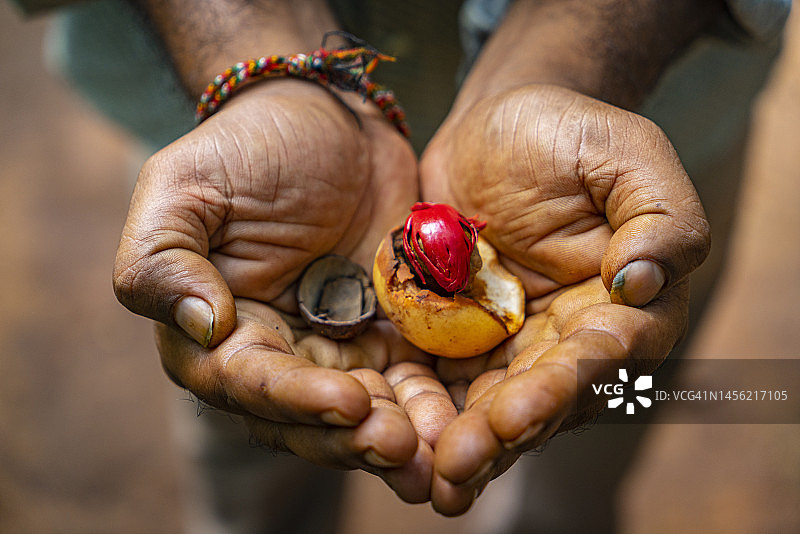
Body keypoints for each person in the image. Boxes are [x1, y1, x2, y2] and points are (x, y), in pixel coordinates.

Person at [15, 0, 791, 530]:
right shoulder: (256, 223)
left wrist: (559, 63)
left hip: (597, 196)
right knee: (254, 440)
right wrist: (263, 66)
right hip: (252, 201)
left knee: (600, 417)